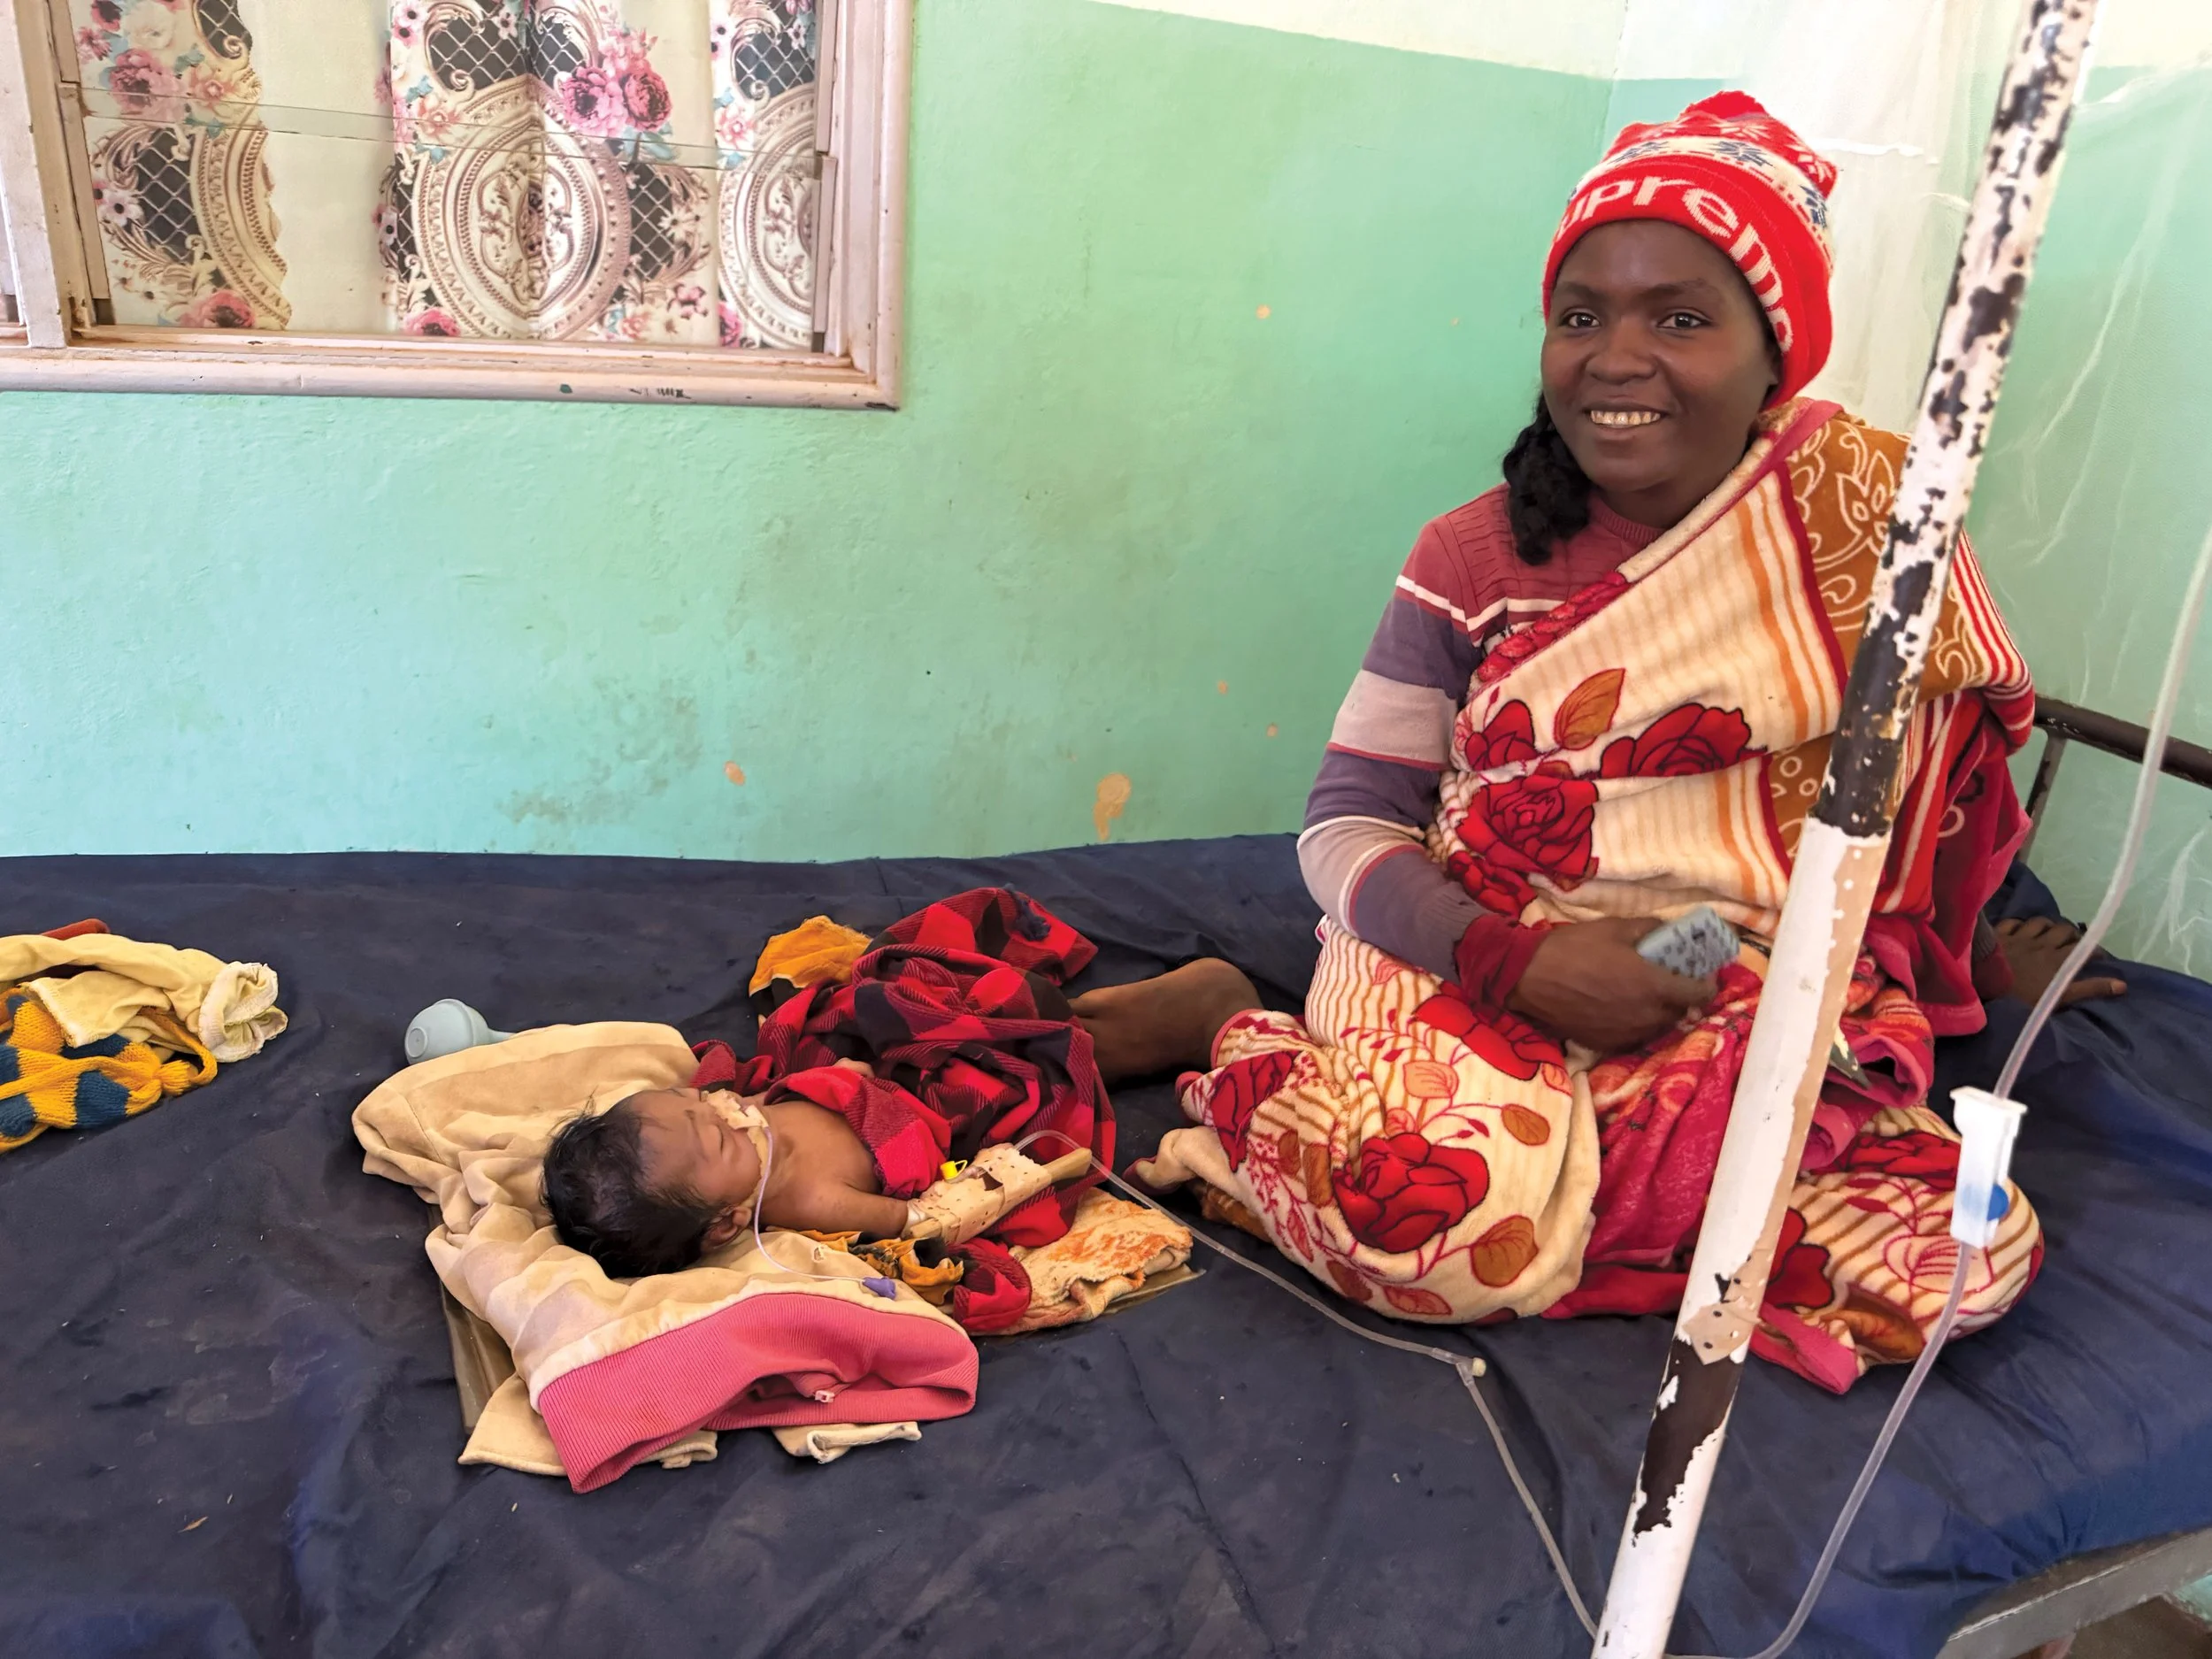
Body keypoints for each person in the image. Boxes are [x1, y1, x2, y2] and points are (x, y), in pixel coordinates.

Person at [1135, 94, 2110, 1394]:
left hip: (1703, 947)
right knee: (1441, 1223)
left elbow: (1908, 794)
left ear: (1778, 356)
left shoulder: (1857, 533)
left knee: (1961, 1260)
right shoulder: (1470, 555)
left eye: (1682, 318)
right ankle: (1249, 1041)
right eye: (1581, 314)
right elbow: (1342, 825)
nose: (1616, 355)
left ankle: (1586, 1185)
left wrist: (1959, 943)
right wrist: (1514, 958)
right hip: (1458, 934)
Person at [543, 958, 1256, 1279]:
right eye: (711, 1127)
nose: (719, 1105)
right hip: (927, 1109)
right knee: (1030, 1065)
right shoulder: (803, 1197)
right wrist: (961, 1192)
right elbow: (903, 1219)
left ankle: (1042, 1012)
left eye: (695, 1099)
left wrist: (821, 1080)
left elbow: (762, 1100)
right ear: (728, 1221)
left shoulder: (735, 1140)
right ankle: (1171, 1021)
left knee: (897, 996)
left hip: (872, 1074)